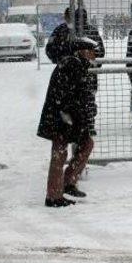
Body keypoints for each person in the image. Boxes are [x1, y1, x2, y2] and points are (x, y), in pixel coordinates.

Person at [37, 37, 99, 208]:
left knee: (85, 145)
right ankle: (53, 196)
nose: (95, 54)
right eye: (92, 51)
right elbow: (68, 97)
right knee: (59, 154)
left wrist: (85, 113)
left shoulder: (77, 65)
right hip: (62, 120)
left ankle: (68, 183)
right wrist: (76, 117)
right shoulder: (71, 65)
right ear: (82, 51)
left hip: (70, 119)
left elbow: (80, 96)